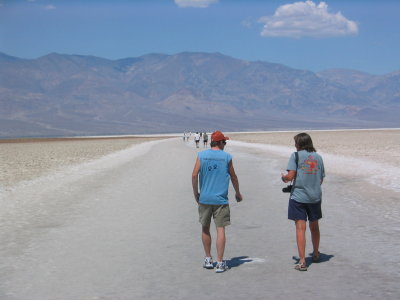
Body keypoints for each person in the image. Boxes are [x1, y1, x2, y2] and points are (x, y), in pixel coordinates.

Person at [192, 130, 243, 273]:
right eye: (224, 142)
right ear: (219, 143)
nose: (225, 144)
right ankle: (220, 263)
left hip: (205, 198)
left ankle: (208, 259)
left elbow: (194, 174)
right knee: (220, 229)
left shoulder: (201, 155)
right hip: (220, 199)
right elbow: (234, 177)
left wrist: (196, 193)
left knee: (205, 227)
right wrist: (238, 193)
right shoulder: (226, 157)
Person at [281, 133, 325, 271]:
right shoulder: (318, 157)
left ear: (300, 144)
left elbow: (290, 176)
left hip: (299, 197)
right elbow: (321, 179)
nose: (294, 145)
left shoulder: (296, 156)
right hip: (315, 197)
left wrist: (284, 178)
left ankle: (302, 261)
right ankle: (316, 254)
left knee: (301, 228)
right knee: (315, 226)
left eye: (296, 143)